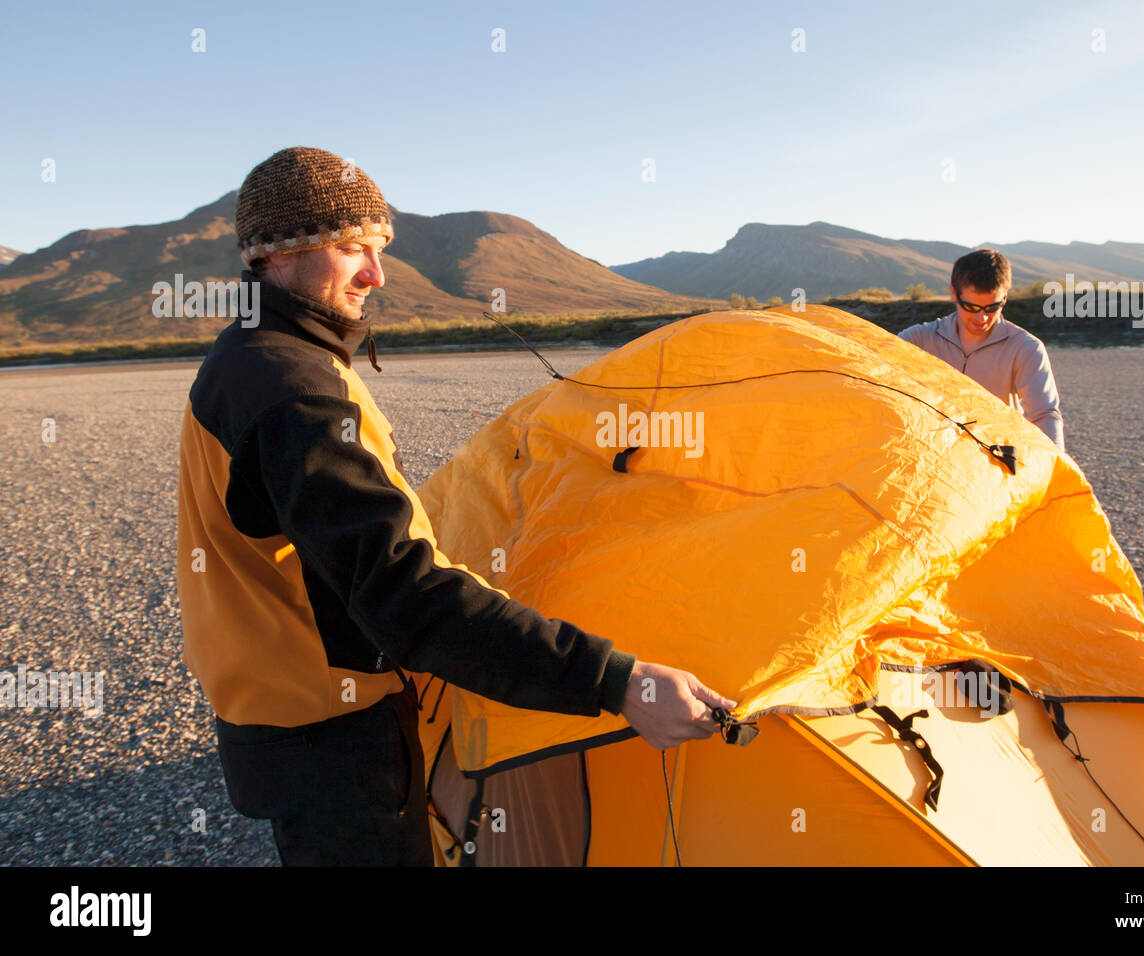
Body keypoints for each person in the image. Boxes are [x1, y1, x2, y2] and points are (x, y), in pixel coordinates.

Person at [177, 146, 734, 866]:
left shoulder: (244, 355)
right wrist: (617, 680)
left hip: (270, 715)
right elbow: (406, 596)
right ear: (278, 254)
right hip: (334, 731)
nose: (375, 275)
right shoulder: (296, 389)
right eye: (351, 249)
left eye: (377, 250)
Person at [898, 249, 1064, 450]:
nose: (982, 318)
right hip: (933, 457)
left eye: (993, 307)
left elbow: (1044, 414)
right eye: (972, 307)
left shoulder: (1026, 347)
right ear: (953, 293)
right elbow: (876, 379)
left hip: (995, 462)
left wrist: (1056, 470)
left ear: (1005, 296)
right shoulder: (919, 339)